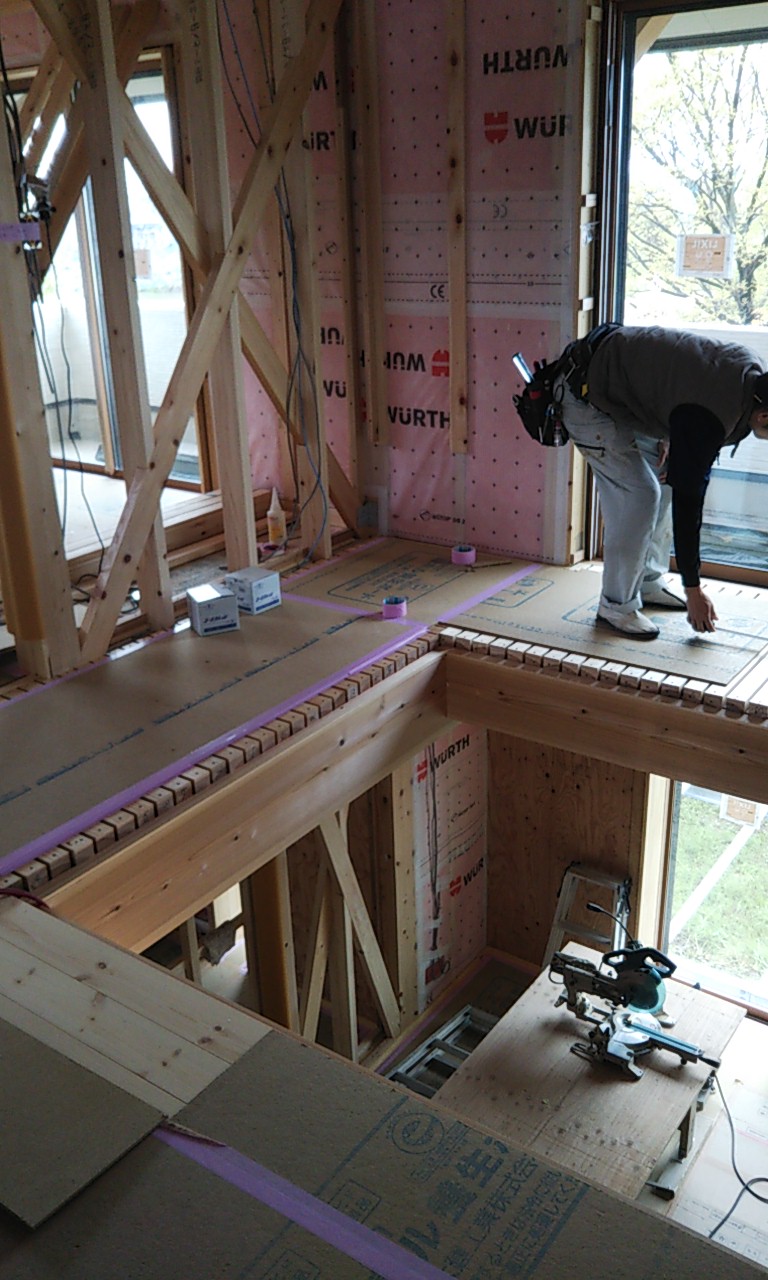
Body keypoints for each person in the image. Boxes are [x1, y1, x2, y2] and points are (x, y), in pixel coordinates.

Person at [555, 324, 768, 638]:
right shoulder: (713, 413)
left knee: (665, 474)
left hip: (616, 382)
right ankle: (616, 605)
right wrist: (693, 589)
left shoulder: (752, 376)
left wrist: (672, 434)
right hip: (585, 394)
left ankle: (648, 581)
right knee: (640, 496)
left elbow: (678, 387)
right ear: (763, 416)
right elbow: (689, 501)